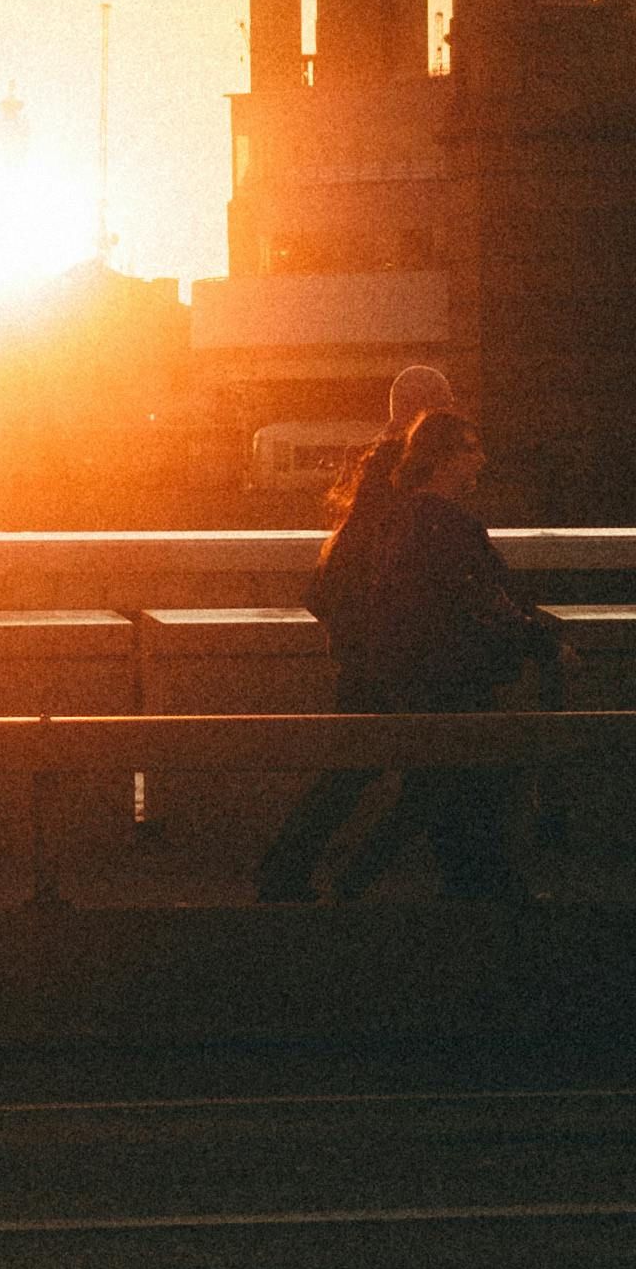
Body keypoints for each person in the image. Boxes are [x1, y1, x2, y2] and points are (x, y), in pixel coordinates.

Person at [330, 412, 568, 902]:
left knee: (442, 790)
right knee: (463, 784)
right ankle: (364, 886)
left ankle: (473, 884)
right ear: (442, 459)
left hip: (416, 676)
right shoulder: (444, 523)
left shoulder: (405, 518)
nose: (481, 458)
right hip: (451, 678)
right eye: (469, 449)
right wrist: (544, 644)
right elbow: (482, 601)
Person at [255, 365, 456, 903]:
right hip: (397, 655)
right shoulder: (413, 482)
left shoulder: (375, 475)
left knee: (366, 770)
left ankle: (296, 872)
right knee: (428, 775)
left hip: (368, 649)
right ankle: (341, 877)